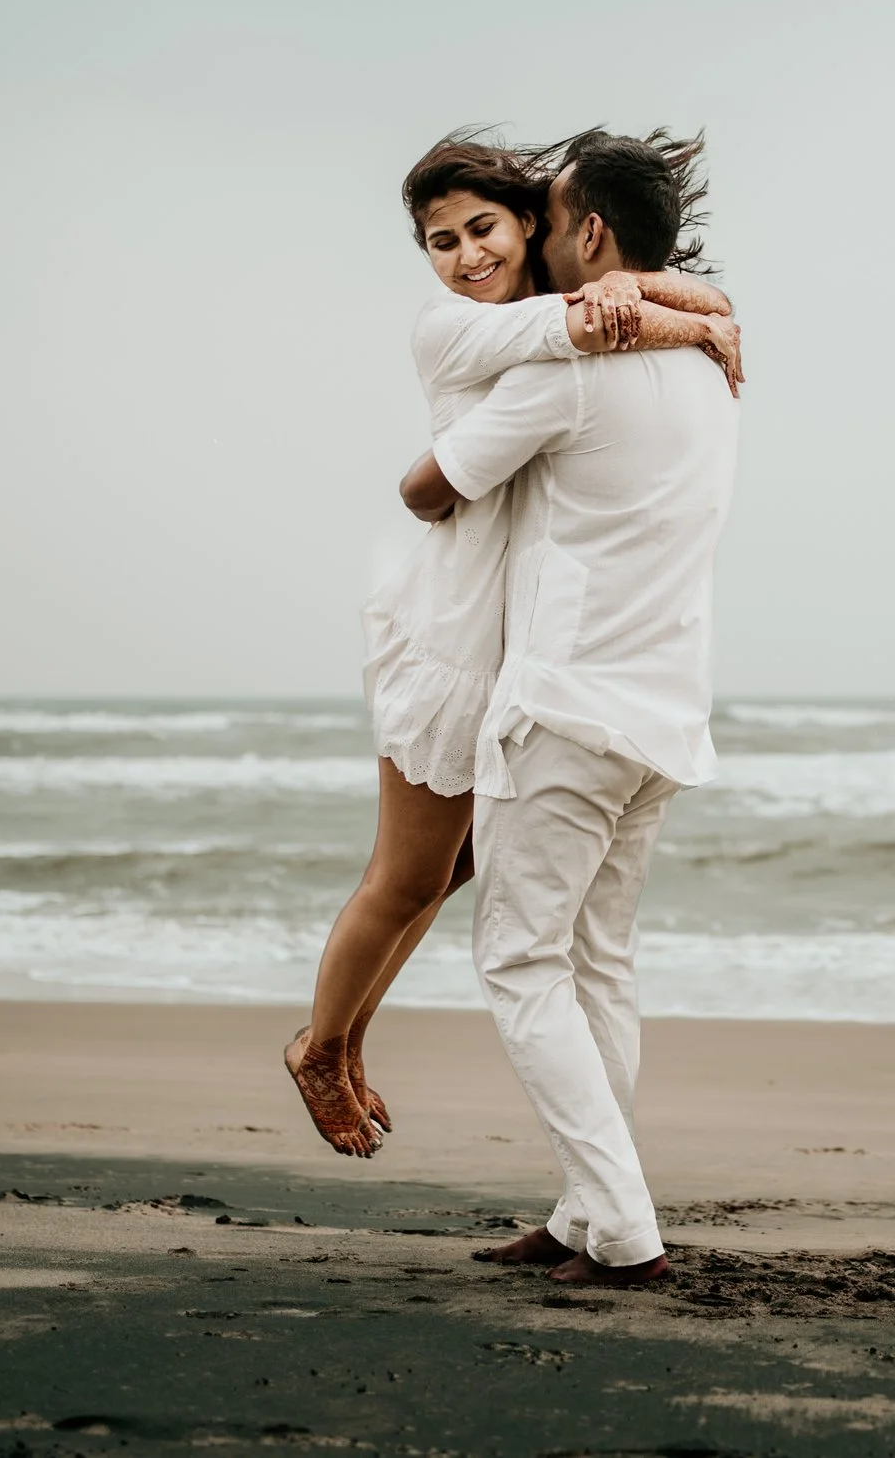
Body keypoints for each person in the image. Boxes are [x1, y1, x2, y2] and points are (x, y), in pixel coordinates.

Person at [283, 132, 741, 1158]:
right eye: (437, 240)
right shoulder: (452, 330)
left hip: (527, 650)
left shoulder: (558, 310)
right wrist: (699, 316)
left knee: (451, 873)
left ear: (533, 224)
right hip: (454, 636)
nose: (462, 256)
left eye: (480, 228)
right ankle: (321, 1048)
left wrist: (687, 308)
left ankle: (343, 1039)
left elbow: (602, 307)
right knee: (406, 874)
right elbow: (585, 321)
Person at [397, 129, 742, 1285]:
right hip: (662, 714)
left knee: (520, 961)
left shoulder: (566, 376)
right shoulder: (711, 370)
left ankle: (624, 1225)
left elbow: (433, 487)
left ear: (588, 234)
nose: (526, 241)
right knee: (599, 962)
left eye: (539, 221)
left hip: (567, 708)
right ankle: (582, 1213)